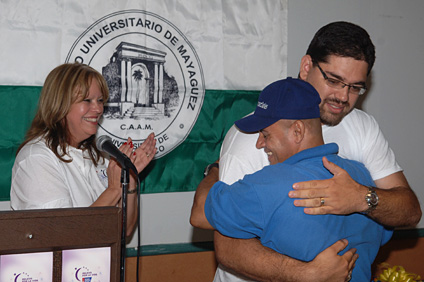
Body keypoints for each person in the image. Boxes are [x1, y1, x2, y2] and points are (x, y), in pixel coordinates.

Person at [196, 21, 422, 281]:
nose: (343, 96)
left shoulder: (363, 127)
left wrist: (361, 197)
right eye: (334, 80)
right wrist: (307, 273)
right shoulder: (252, 137)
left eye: (355, 87)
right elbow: (226, 247)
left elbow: (409, 210)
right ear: (306, 67)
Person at [191, 77, 393, 282]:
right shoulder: (361, 177)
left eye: (266, 134)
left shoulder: (271, 185)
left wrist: (214, 169)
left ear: (297, 131)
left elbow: (199, 212)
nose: (260, 144)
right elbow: (384, 234)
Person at [10, 63, 157, 235]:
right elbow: (61, 234)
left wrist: (128, 182)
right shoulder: (36, 157)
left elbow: (124, 231)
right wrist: (114, 190)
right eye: (87, 100)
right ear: (60, 104)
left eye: (100, 100)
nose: (98, 109)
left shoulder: (98, 155)